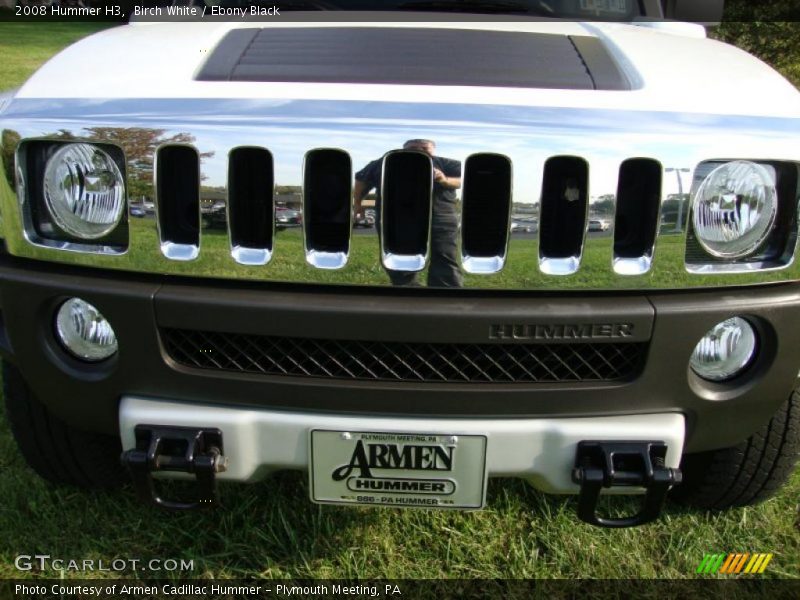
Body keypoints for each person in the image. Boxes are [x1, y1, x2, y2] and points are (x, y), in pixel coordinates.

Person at [353, 139, 463, 287]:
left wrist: (444, 179)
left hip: (440, 216)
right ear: (403, 149)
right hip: (395, 218)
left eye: (424, 148)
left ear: (433, 150)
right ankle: (407, 292)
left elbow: (462, 180)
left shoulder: (447, 163)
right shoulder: (385, 162)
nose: (418, 150)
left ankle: (445, 296)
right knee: (398, 256)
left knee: (444, 256)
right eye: (412, 147)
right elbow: (361, 179)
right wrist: (358, 204)